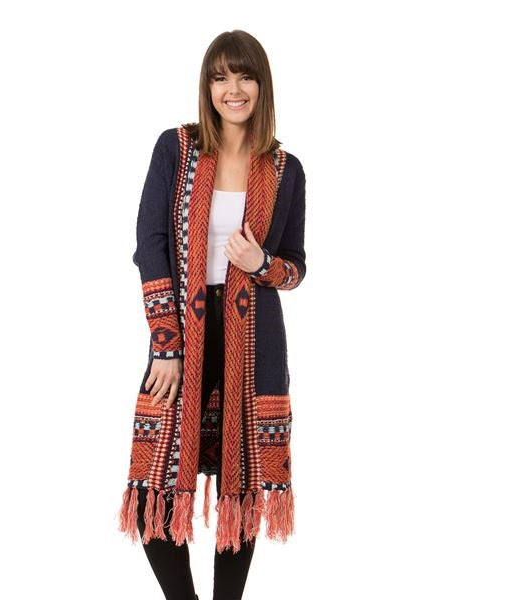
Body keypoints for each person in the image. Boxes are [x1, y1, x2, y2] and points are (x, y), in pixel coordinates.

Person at [118, 29, 307, 600]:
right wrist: (166, 344)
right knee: (152, 489)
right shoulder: (177, 148)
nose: (233, 89)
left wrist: (261, 263)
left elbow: (295, 269)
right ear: (207, 86)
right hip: (183, 333)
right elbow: (150, 245)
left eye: (245, 76)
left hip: (253, 342)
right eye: (221, 77)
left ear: (261, 85)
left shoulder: (285, 169)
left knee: (239, 491)